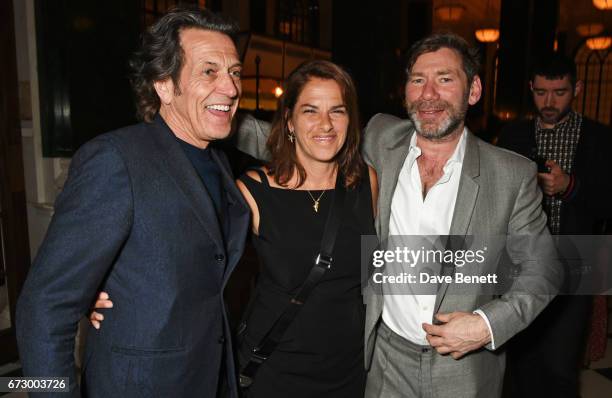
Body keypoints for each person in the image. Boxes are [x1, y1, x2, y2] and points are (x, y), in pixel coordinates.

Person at [233, 33, 561, 398]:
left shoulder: (511, 174)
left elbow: (543, 270)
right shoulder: (379, 138)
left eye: (445, 79)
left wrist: (487, 325)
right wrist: (213, 115)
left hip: (463, 371)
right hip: (382, 362)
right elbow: (307, 143)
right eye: (418, 80)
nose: (429, 93)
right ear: (405, 92)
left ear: (474, 90)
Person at [92, 60, 378, 397]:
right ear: (289, 120)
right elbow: (184, 255)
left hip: (348, 371)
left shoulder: (365, 183)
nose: (326, 124)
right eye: (310, 111)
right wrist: (99, 285)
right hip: (275, 372)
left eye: (338, 111)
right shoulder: (254, 191)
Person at [16, 8, 248, 398]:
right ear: (163, 85)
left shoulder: (218, 161)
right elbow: (44, 307)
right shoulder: (116, 160)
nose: (230, 87)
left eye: (235, 72)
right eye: (209, 71)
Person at [497, 53, 612, 398]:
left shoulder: (599, 138)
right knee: (518, 364)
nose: (549, 102)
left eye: (559, 92)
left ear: (576, 89)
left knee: (560, 368)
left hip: (575, 263)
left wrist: (569, 187)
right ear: (531, 88)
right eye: (542, 92)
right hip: (519, 264)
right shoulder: (513, 135)